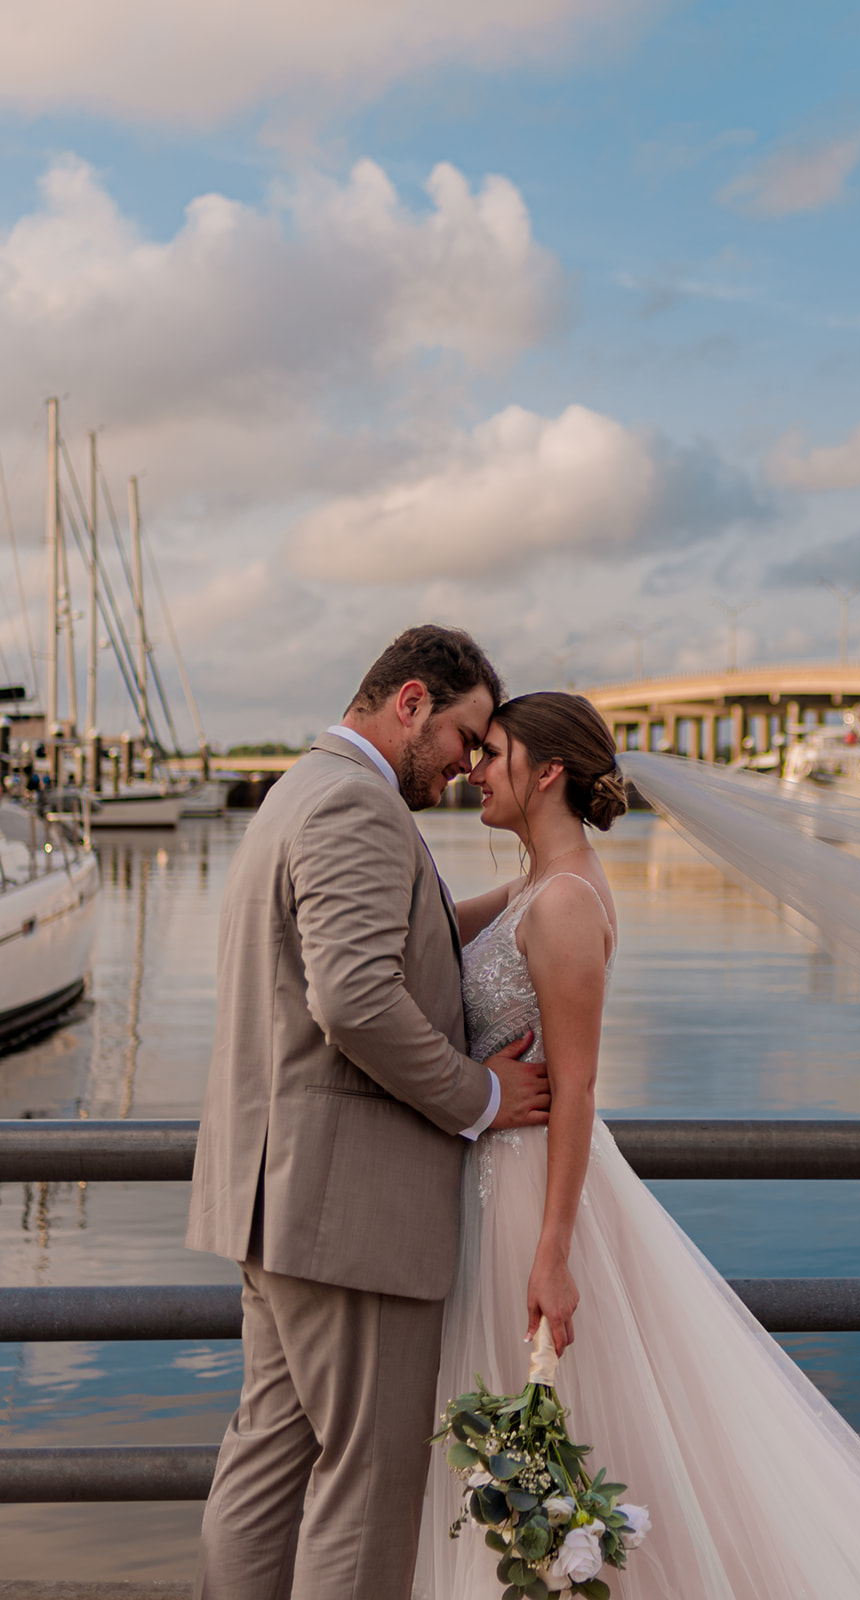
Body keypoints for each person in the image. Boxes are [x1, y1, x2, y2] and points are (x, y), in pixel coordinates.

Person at [414, 690, 860, 1599]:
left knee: (540, 1425)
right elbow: (425, 930)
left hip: (533, 1188)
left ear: (546, 773)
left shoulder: (568, 900)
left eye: (492, 752)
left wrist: (552, 1253)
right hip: (497, 1170)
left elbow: (577, 1085)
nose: (475, 768)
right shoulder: (539, 883)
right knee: (517, 1434)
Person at [186, 625, 551, 1600]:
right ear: (411, 703)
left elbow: (410, 932)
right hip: (352, 1214)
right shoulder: (356, 806)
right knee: (371, 1482)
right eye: (467, 738)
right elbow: (353, 997)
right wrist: (481, 1094)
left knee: (267, 1460)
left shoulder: (306, 792)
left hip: (283, 1199)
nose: (469, 765)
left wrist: (528, 892)